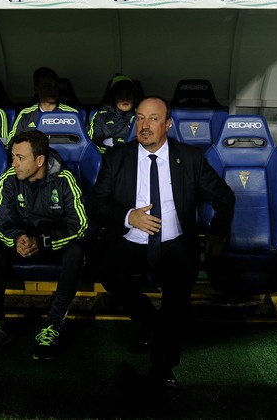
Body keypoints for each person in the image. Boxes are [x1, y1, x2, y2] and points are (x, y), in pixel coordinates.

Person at [87, 96, 235, 388]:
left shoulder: (190, 158)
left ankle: (163, 365)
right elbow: (95, 204)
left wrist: (218, 232)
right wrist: (130, 217)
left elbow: (224, 196)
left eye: (153, 119)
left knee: (178, 291)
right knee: (103, 264)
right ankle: (147, 320)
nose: (144, 126)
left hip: (174, 242)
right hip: (131, 238)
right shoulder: (117, 158)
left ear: (168, 124)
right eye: (140, 118)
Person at [0, 130, 87, 360]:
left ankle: (53, 326)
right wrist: (17, 238)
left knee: (77, 251)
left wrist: (45, 241)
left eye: (20, 158)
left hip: (52, 244)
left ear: (39, 160)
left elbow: (79, 225)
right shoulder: (9, 179)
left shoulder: (64, 179)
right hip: (23, 243)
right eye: (13, 157)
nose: (14, 163)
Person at [5, 67, 80, 145]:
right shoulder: (26, 114)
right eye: (48, 87)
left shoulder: (71, 113)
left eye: (55, 86)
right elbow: (11, 142)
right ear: (36, 89)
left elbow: (83, 143)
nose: (53, 90)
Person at [88, 74, 136, 152]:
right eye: (120, 94)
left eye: (128, 94)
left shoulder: (141, 116)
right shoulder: (100, 116)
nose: (125, 98)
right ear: (113, 97)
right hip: (107, 159)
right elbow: (93, 144)